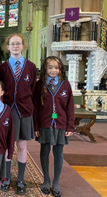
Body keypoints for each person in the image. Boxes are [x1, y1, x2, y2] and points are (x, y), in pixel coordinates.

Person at [0, 34, 37, 195]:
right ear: (8, 47)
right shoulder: (2, 68)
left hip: (24, 110)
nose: (15, 46)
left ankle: (20, 179)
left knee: (21, 145)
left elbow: (32, 89)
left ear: (23, 46)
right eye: (12, 44)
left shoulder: (31, 67)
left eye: (18, 44)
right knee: (7, 147)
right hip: (7, 110)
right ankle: (6, 177)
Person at [33, 56, 74, 197]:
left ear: (60, 69)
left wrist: (70, 126)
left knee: (58, 152)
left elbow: (70, 107)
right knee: (44, 151)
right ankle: (46, 179)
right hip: (44, 123)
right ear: (45, 69)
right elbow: (36, 107)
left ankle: (56, 181)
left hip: (60, 124)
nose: (53, 70)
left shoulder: (65, 85)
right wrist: (35, 126)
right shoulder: (39, 85)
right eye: (50, 67)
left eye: (56, 67)